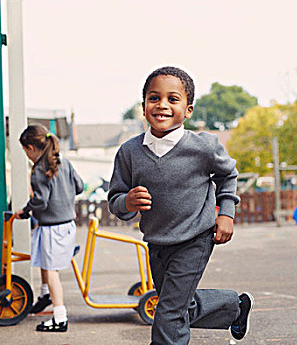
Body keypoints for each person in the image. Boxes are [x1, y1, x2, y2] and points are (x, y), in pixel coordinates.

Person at [108, 66, 254, 345]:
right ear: (143, 106)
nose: (162, 105)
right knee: (177, 306)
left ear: (188, 109)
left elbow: (228, 176)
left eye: (173, 99)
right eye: (154, 98)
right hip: (157, 242)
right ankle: (234, 308)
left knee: (169, 313)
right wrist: (126, 201)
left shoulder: (203, 146)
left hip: (195, 239)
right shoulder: (129, 152)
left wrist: (226, 214)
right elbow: (116, 200)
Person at [14, 124, 84, 332]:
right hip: (66, 225)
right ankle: (45, 294)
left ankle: (60, 318)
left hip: (53, 229)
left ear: (31, 148)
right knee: (44, 261)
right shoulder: (64, 162)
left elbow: (41, 202)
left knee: (51, 271)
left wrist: (25, 211)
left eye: (25, 151)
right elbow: (79, 186)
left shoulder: (38, 170)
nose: (27, 156)